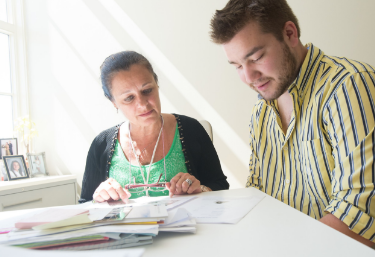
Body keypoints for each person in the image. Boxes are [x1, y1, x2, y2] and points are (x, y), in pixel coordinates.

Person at [210, 0, 375, 247]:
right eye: (237, 66)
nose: (248, 77)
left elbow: (360, 216)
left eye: (256, 57)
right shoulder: (261, 112)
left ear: (290, 34)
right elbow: (258, 196)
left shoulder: (349, 86)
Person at [79, 51, 229, 204]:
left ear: (156, 84)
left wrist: (201, 189)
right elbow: (84, 204)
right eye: (129, 98)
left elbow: (221, 186)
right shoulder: (101, 144)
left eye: (147, 90)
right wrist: (98, 199)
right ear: (114, 102)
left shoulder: (192, 130)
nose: (143, 104)